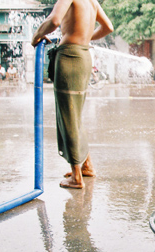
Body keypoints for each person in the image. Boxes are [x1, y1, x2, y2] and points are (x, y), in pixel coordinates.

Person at [31, 0, 113, 189]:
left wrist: (36, 35)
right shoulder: (91, 1)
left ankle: (76, 177)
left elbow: (54, 21)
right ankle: (86, 166)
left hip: (69, 57)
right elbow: (108, 27)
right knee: (75, 116)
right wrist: (85, 38)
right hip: (83, 56)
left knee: (68, 117)